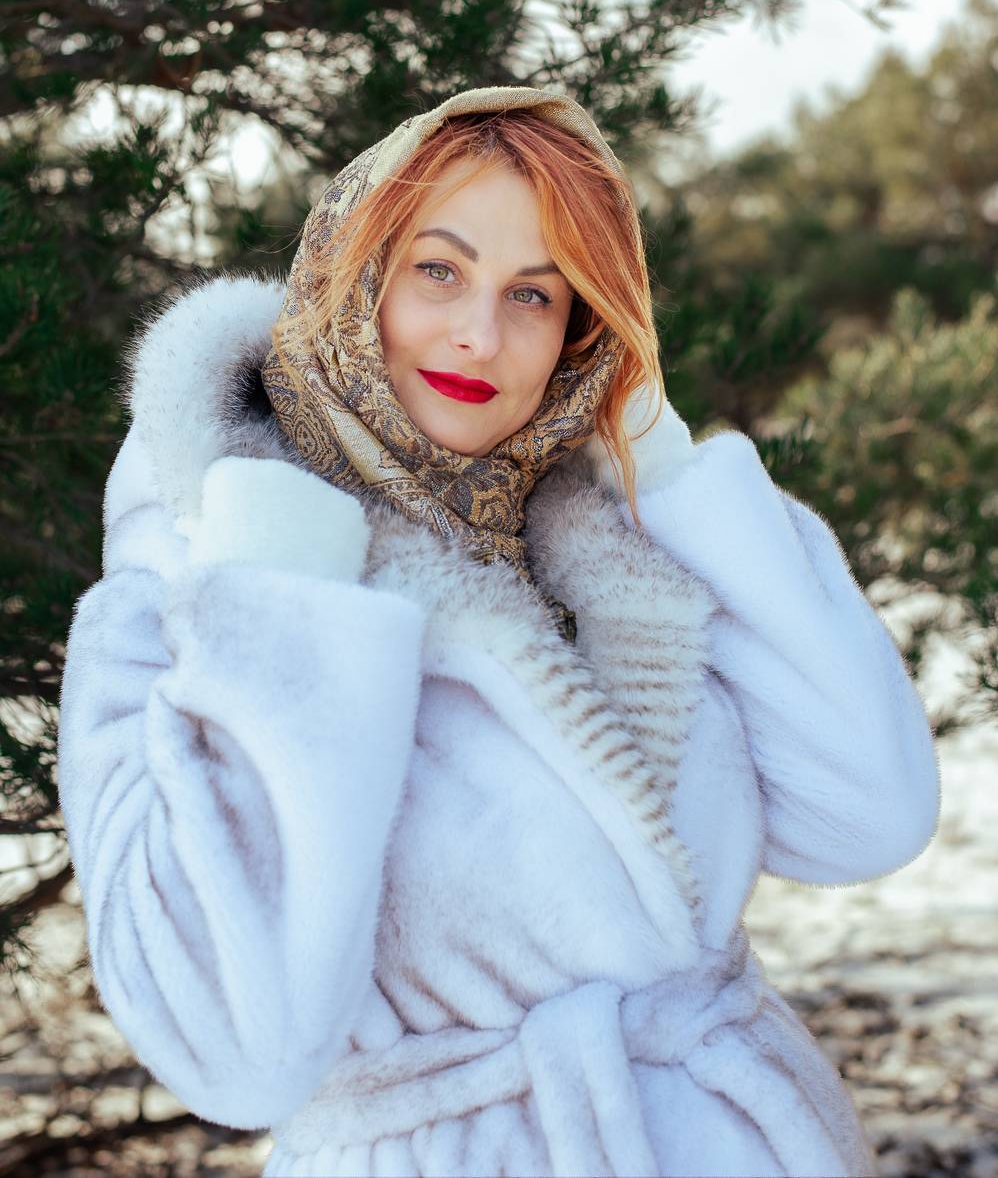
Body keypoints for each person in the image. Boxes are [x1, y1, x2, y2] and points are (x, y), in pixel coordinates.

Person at [58, 84, 940, 1178]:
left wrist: (669, 476)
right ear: (352, 270)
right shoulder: (196, 571)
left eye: (534, 294)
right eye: (439, 270)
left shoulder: (606, 540)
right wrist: (278, 596)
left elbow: (869, 820)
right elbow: (232, 1052)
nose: (481, 335)